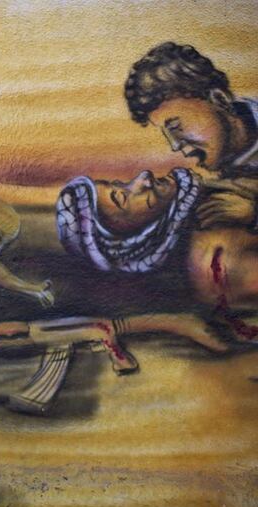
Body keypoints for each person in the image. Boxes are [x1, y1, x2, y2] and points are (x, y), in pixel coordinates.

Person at [57, 167, 258, 339]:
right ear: (129, 238)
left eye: (122, 184)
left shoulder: (204, 209)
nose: (144, 178)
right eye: (122, 198)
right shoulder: (214, 263)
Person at [125, 42, 258, 231]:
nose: (175, 146)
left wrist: (254, 216)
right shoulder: (224, 181)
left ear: (219, 99)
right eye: (166, 132)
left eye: (176, 126)